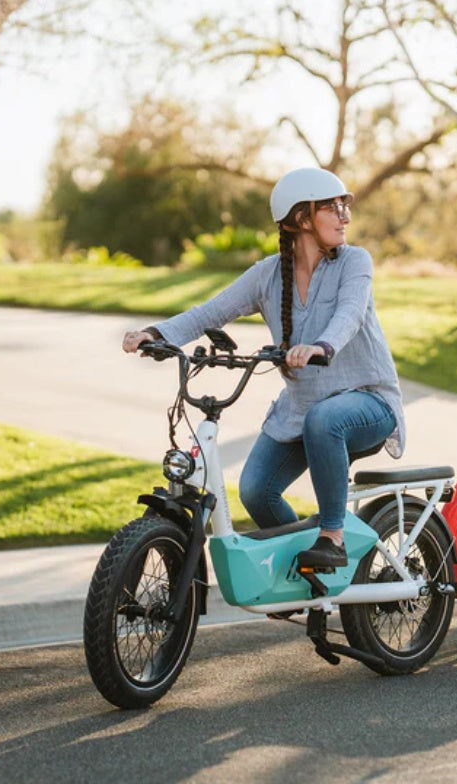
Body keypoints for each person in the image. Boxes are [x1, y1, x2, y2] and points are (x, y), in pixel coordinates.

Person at [122, 167, 405, 568]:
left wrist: (321, 346)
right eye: (332, 207)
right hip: (303, 409)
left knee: (325, 420)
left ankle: (332, 538)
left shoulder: (354, 261)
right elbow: (210, 312)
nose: (345, 216)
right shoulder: (267, 275)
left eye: (345, 207)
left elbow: (350, 314)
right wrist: (156, 333)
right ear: (301, 218)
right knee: (256, 491)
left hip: (368, 401)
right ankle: (303, 571)